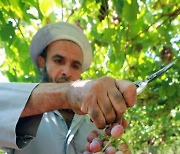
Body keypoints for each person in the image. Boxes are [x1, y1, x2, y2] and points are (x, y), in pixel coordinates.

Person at [0, 22, 137, 154]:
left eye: (75, 66)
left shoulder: (98, 125)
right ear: (42, 63)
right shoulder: (22, 113)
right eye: (58, 61)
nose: (67, 71)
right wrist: (67, 93)